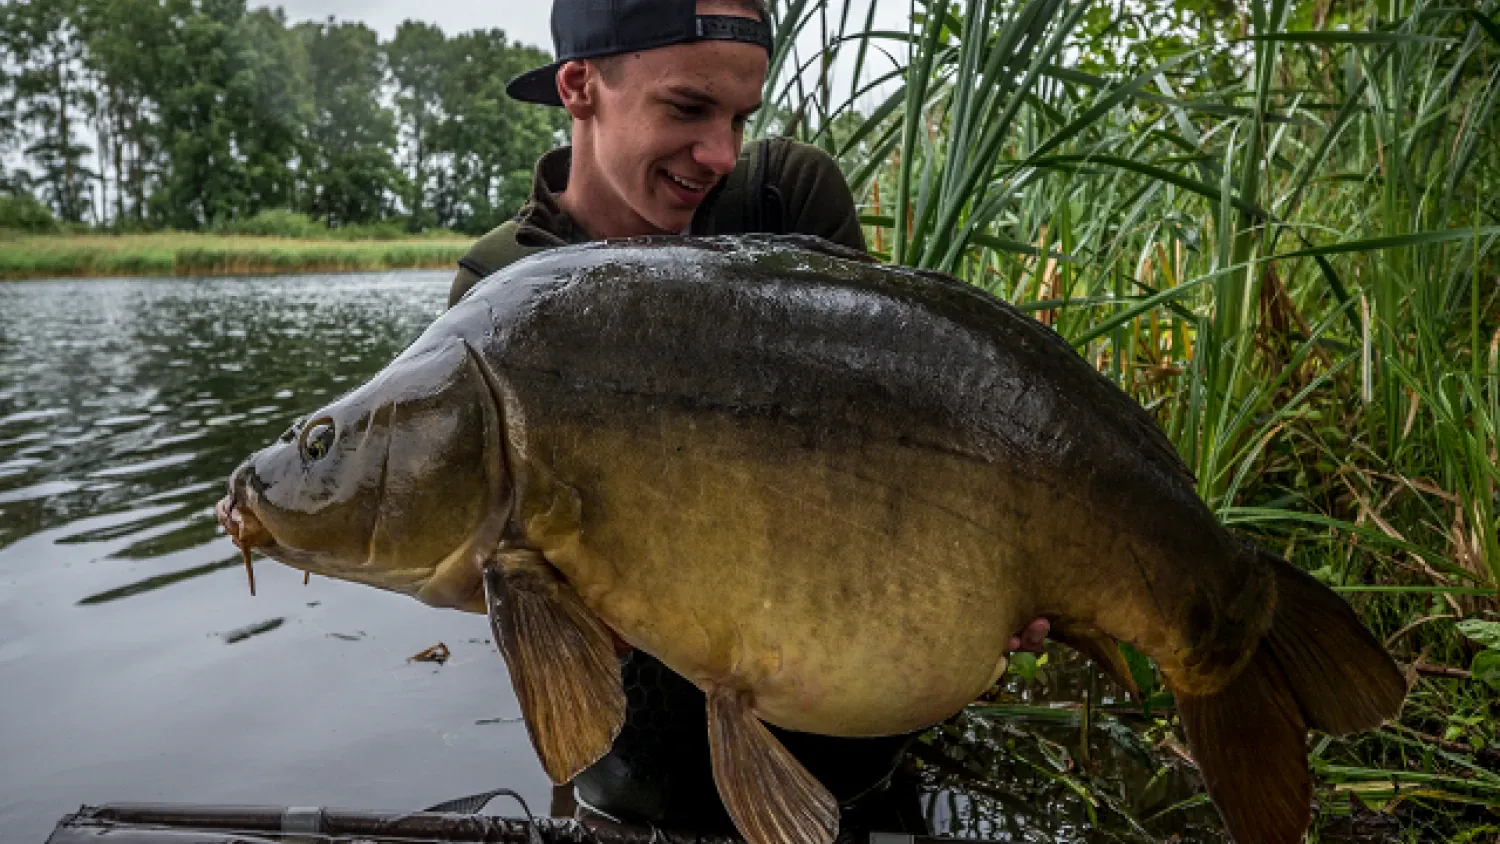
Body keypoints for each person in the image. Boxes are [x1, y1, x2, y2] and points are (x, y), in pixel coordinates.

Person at [447, 0, 1050, 832]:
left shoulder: (784, 197)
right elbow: (473, 559)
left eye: (738, 116)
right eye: (688, 108)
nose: (719, 154)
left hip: (846, 734)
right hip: (639, 779)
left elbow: (886, 453)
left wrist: (981, 571)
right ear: (580, 86)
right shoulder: (497, 297)